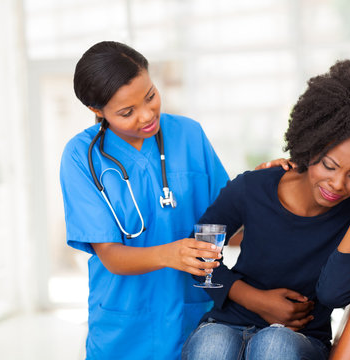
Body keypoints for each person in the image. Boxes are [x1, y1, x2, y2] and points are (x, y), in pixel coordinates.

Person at [181, 57, 350, 360]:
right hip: (228, 322)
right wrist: (255, 299)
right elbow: (197, 255)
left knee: (272, 345)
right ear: (309, 145)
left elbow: (334, 294)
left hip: (300, 339)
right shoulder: (251, 187)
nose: (338, 184)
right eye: (329, 165)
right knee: (213, 345)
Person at [59, 41, 290, 359]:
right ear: (97, 111)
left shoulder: (189, 135)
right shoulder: (81, 157)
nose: (146, 115)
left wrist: (267, 189)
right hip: (124, 325)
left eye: (150, 96)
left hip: (196, 320)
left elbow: (229, 225)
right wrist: (170, 254)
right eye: (127, 112)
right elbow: (110, 255)